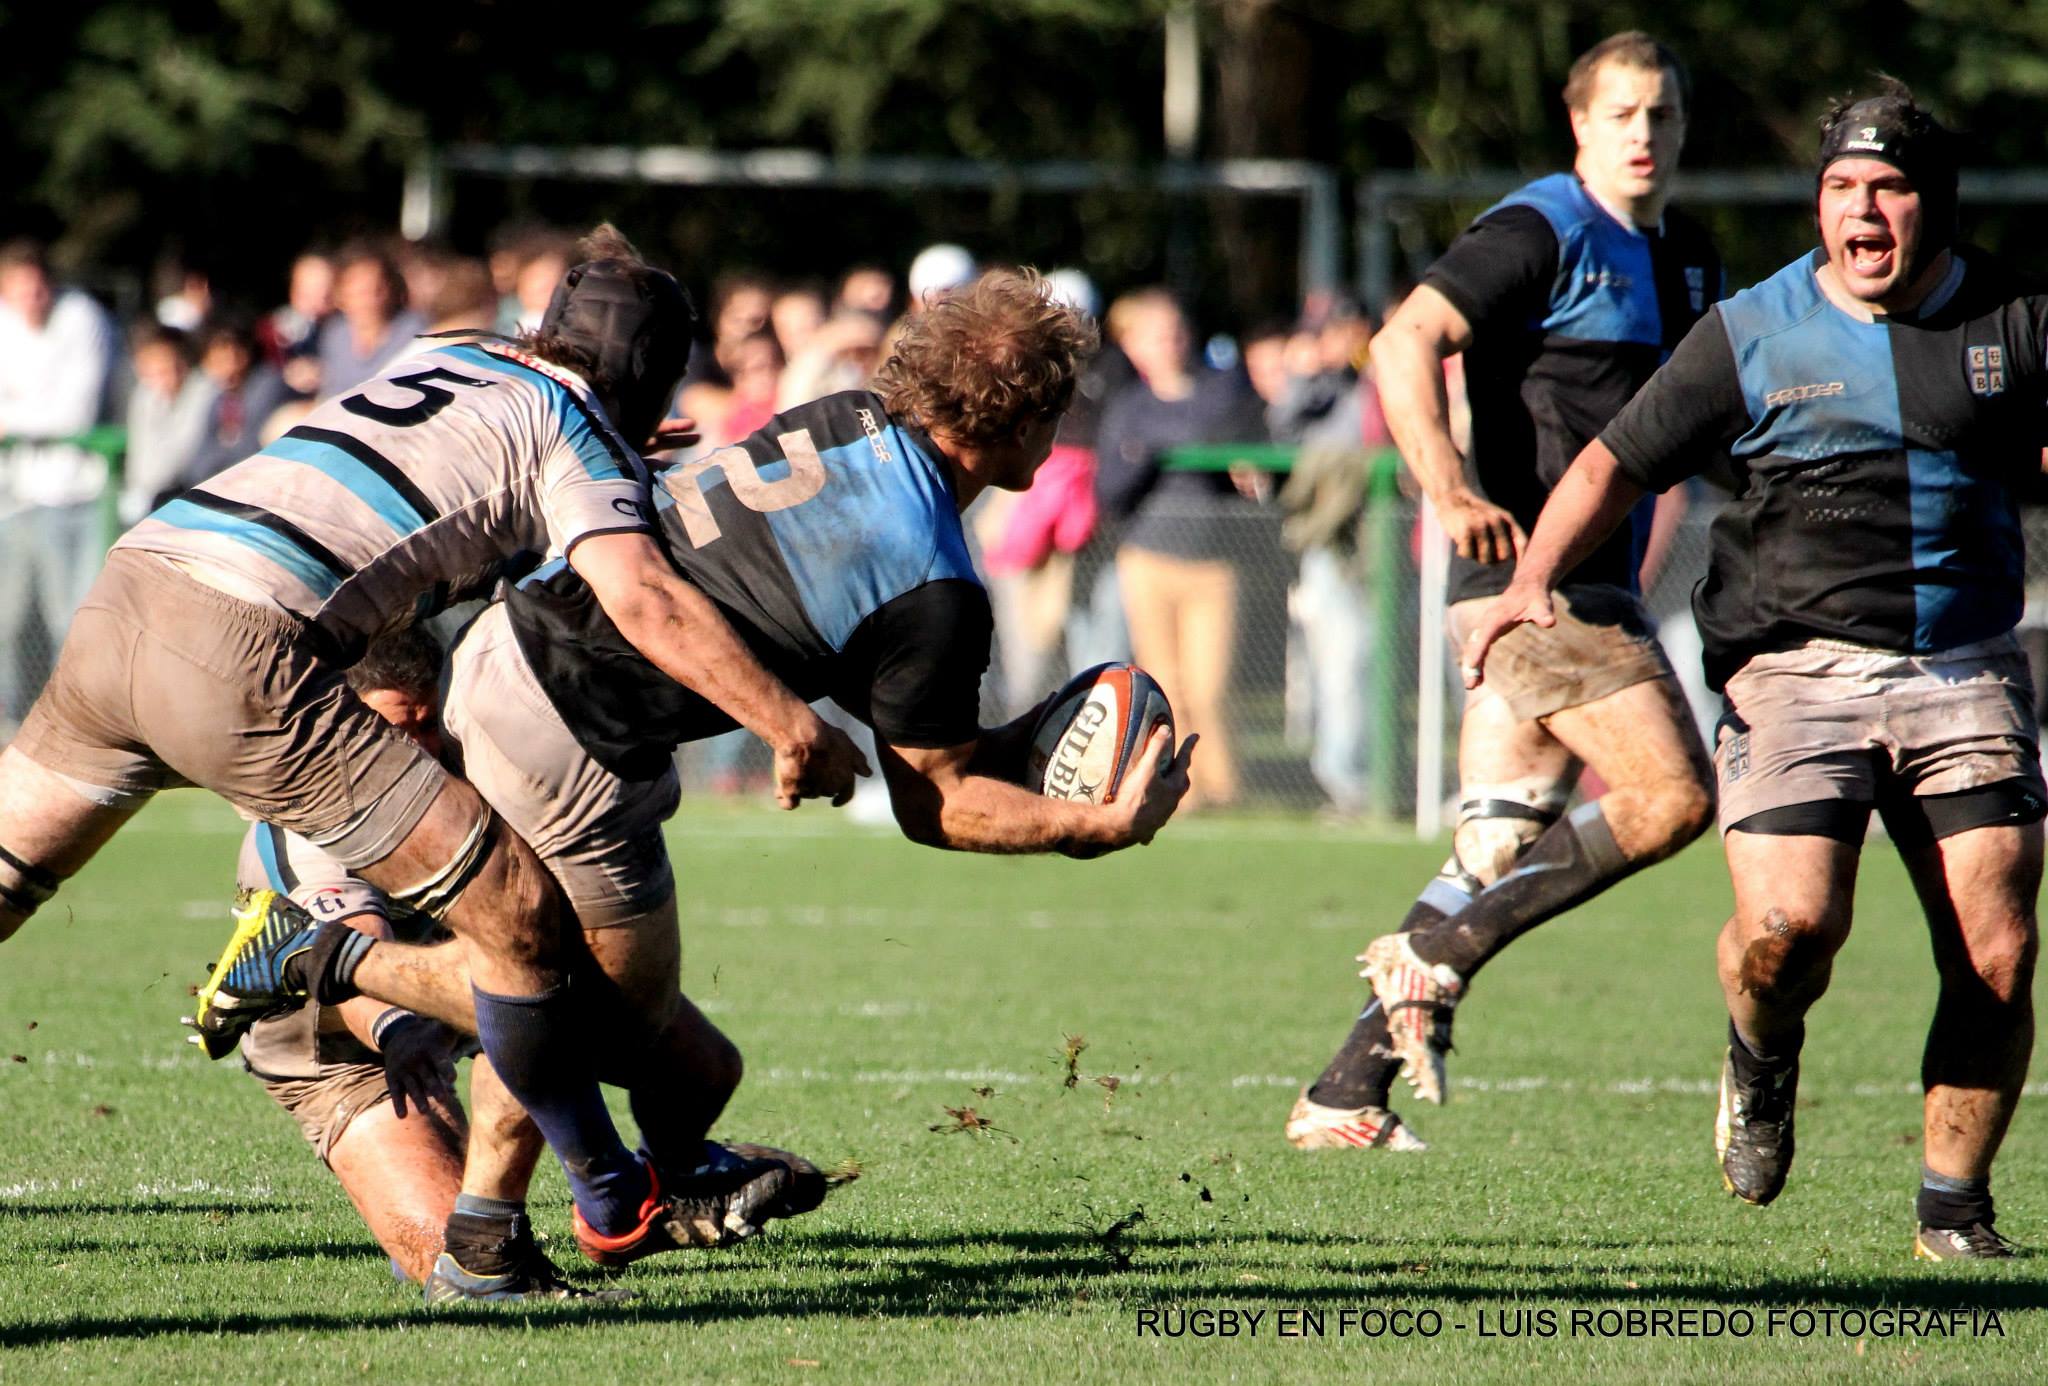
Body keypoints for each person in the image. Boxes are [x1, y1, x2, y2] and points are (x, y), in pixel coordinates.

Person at [225, 269, 1196, 1285]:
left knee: (674, 1055)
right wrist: (1091, 828)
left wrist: (1026, 749)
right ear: (1025, 420)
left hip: (519, 656)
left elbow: (892, 701)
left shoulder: (849, 418)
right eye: (1058, 409)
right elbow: (935, 800)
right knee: (598, 1020)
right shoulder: (935, 586)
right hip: (579, 727)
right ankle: (335, 968)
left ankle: (594, 1197)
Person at [0, 225, 866, 1286]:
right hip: (243, 643)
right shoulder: (574, 428)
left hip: (140, 580)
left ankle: (586, 1188)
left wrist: (604, 460)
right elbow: (642, 596)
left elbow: (434, 488)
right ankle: (606, 1187)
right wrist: (789, 722)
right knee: (522, 918)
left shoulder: (450, 355)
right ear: (650, 382)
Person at [1464, 81, 2045, 1260]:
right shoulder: (1751, 329)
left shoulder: (2015, 319)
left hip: (1961, 663)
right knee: (1787, 928)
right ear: (1817, 205)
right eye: (1840, 188)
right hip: (1789, 668)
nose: (1862, 211)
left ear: (1932, 207)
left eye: (1887, 189)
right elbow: (1609, 462)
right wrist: (1529, 583)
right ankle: (1760, 1054)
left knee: (1994, 946)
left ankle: (1951, 1210)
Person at [1286, 31, 1720, 1153]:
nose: (1641, 133)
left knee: (1496, 845)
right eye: (1619, 113)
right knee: (1669, 799)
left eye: (1659, 115)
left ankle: (1341, 1091)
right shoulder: (1540, 227)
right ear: (1577, 126)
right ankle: (1443, 955)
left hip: (1589, 584)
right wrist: (1444, 487)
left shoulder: (1685, 257)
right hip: (1528, 586)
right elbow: (1401, 343)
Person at [1095, 287, 1268, 809]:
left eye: (1176, 332)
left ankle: (1226, 790)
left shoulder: (1224, 397)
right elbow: (1110, 490)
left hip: (1214, 562)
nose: (1170, 343)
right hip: (1147, 560)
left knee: (1210, 685)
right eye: (1156, 335)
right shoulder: (1129, 406)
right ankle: (1180, 791)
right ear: (1135, 346)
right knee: (1165, 683)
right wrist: (1146, 457)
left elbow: (1252, 466)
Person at [0, 239, 116, 733]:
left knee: (67, 621)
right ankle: (13, 727)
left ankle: (72, 728)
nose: (32, 301)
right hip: (15, 496)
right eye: (20, 292)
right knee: (10, 622)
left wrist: (16, 414)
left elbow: (76, 411)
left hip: (78, 495)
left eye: (39, 289)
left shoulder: (81, 318)